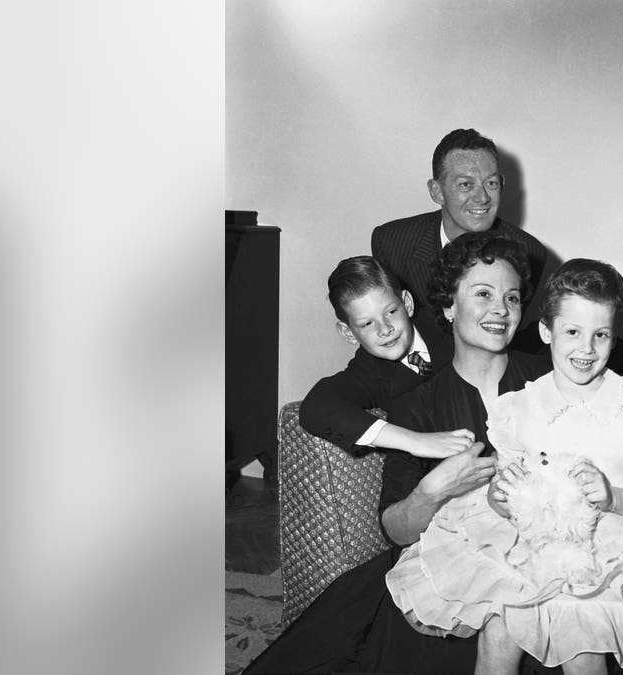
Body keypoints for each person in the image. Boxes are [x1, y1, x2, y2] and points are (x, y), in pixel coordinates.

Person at [244, 232, 553, 675]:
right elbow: (393, 525)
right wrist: (430, 480)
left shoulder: (546, 379)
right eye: (483, 294)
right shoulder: (413, 400)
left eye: (513, 296)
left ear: (410, 304)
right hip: (447, 555)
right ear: (449, 306)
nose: (500, 309)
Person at [385, 259, 623, 674]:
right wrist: (500, 498)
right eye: (572, 332)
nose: (586, 349)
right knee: (498, 635)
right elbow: (503, 494)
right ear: (546, 331)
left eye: (601, 335)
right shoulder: (516, 409)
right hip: (526, 548)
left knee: (583, 648)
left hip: (599, 556)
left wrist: (612, 497)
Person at [371, 128, 548, 359]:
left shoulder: (528, 251)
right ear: (437, 192)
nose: (482, 197)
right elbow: (382, 333)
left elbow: (504, 338)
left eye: (491, 183)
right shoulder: (392, 243)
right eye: (466, 185)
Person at [298, 256, 475, 459]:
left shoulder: (447, 322)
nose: (385, 329)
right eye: (367, 324)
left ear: (407, 304)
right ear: (348, 333)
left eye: (391, 312)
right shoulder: (369, 371)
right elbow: (316, 406)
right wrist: (414, 441)